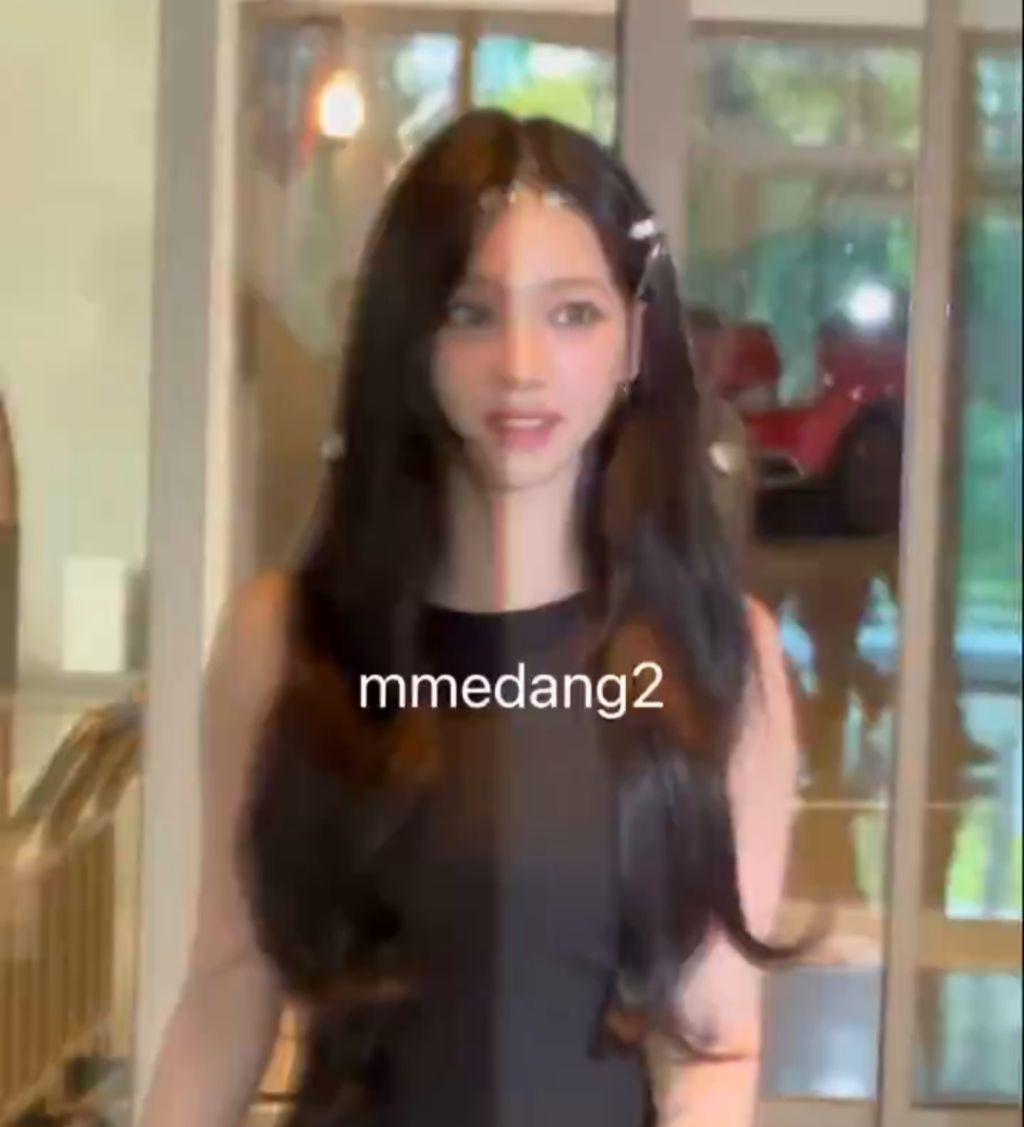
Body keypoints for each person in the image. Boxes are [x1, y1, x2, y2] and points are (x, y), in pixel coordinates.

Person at [139, 110, 800, 1127]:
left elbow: (715, 1041)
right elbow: (226, 991)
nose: (522, 364)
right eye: (471, 311)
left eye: (572, 312)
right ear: (411, 337)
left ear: (634, 339)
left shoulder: (721, 653)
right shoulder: (287, 640)